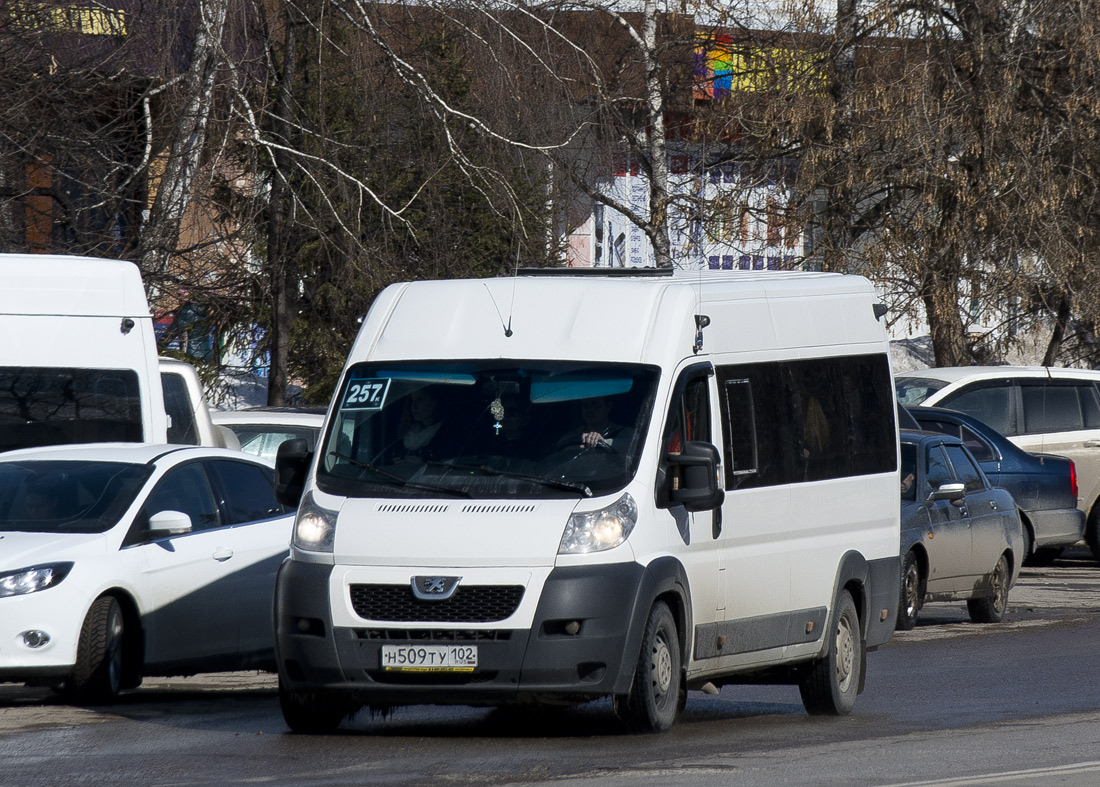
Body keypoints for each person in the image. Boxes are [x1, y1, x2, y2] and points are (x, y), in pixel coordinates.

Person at [396, 387, 448, 462]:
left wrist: (424, 465)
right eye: (412, 400)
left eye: (420, 400)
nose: (413, 405)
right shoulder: (404, 434)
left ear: (434, 403)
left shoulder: (448, 434)